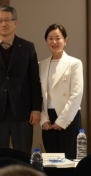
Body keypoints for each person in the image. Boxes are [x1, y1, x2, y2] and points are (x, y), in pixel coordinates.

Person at [0, 6, 41, 154]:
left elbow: (34, 80)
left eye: (8, 20)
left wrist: (36, 109)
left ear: (16, 23)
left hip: (22, 111)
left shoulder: (27, 47)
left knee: (23, 154)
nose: (4, 24)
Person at [39, 24, 83, 159]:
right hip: (49, 119)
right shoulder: (41, 65)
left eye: (58, 38)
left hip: (68, 117)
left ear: (65, 40)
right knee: (51, 160)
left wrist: (62, 121)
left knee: (69, 160)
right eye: (50, 38)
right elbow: (39, 95)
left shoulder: (74, 63)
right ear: (46, 41)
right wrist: (43, 119)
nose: (54, 42)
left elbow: (76, 94)